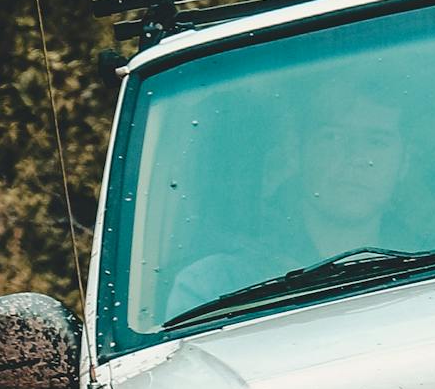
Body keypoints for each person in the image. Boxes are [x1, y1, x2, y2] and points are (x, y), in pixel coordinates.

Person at [163, 78, 416, 321]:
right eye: (333, 136)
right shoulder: (215, 287)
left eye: (377, 141)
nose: (356, 157)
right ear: (297, 151)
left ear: (404, 161)